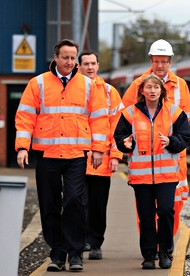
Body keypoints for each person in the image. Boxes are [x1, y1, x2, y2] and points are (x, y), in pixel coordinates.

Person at [15, 39, 109, 271]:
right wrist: (23, 147)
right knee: (49, 205)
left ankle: (75, 253)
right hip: (47, 154)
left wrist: (98, 149)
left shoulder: (87, 85)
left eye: (72, 58)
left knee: (75, 201)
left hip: (76, 155)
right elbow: (26, 117)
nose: (69, 62)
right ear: (55, 58)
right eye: (65, 57)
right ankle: (57, 254)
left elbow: (99, 119)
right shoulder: (37, 84)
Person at [114, 74, 190, 270]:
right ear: (142, 91)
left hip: (167, 176)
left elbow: (185, 137)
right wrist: (125, 143)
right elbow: (120, 136)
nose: (152, 91)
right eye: (149, 87)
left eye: (156, 88)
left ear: (162, 91)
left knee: (165, 211)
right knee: (146, 216)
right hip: (141, 176)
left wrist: (172, 142)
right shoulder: (130, 114)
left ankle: (165, 252)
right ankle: (148, 255)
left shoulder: (174, 113)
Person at [122, 39, 190, 237]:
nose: (160, 66)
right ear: (150, 60)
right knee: (145, 208)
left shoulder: (181, 86)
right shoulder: (138, 85)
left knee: (173, 203)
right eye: (156, 61)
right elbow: (124, 118)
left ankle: (166, 245)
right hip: (144, 159)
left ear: (171, 62)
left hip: (174, 158)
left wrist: (175, 143)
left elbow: (185, 121)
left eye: (164, 61)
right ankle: (150, 247)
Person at [78, 50, 124, 260]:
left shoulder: (109, 92)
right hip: (76, 158)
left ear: (98, 66)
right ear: (79, 67)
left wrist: (115, 155)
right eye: (85, 63)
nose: (89, 67)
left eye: (93, 63)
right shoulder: (72, 90)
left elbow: (117, 126)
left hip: (101, 161)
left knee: (97, 204)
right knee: (77, 203)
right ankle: (81, 240)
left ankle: (95, 243)